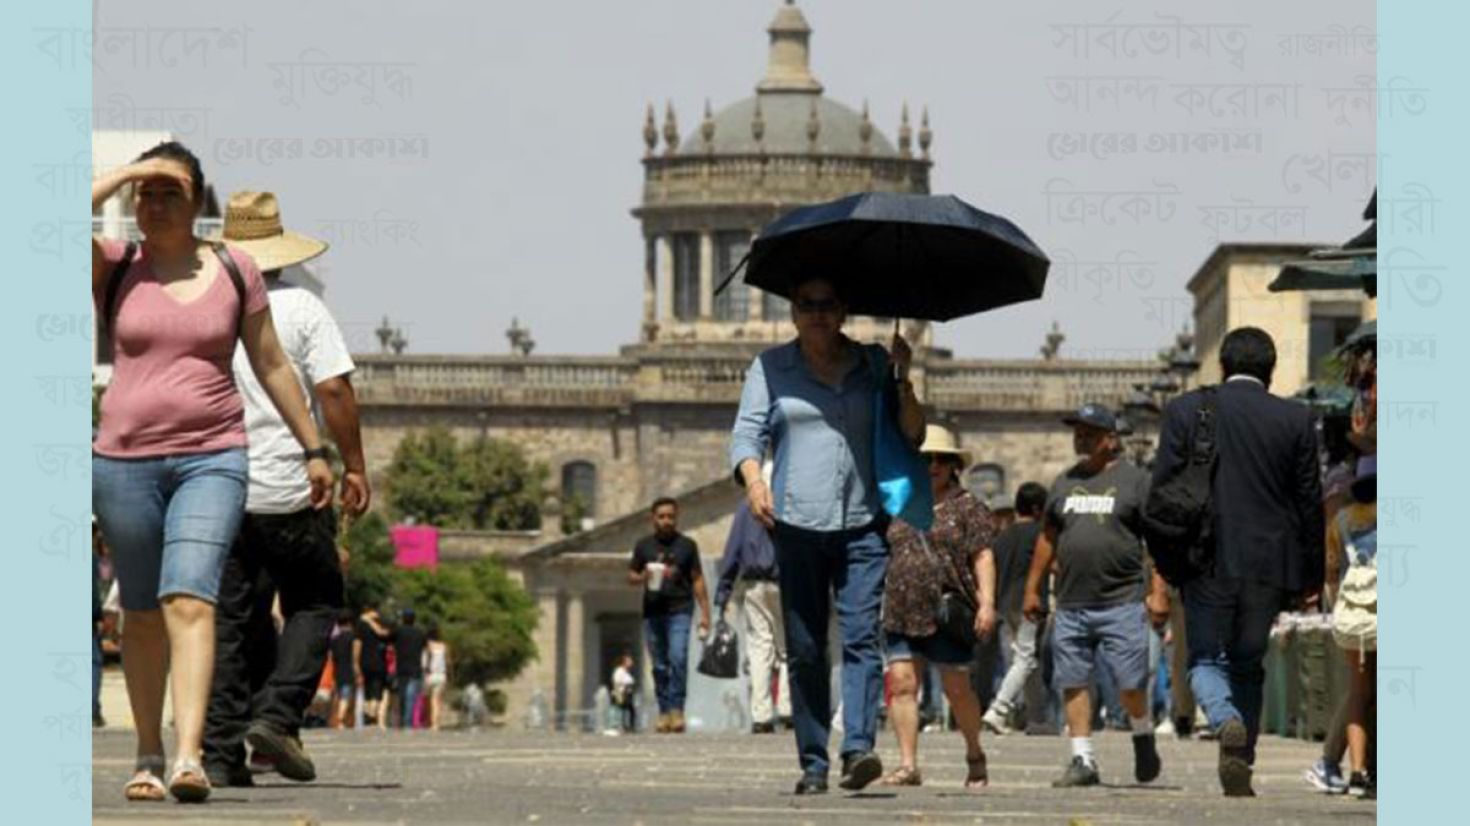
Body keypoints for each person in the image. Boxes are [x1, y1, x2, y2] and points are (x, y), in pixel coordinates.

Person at [90, 142, 333, 803]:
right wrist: (135, 172)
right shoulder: (114, 264)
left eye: (172, 190)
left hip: (213, 455)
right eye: (147, 193)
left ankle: (190, 755)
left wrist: (315, 448)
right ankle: (147, 751)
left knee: (190, 599)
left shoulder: (233, 268)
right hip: (122, 463)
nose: (156, 202)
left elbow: (274, 363)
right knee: (140, 614)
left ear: (198, 201)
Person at [729, 274, 924, 794]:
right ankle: (813, 759)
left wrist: (904, 378)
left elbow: (913, 434)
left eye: (827, 304)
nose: (817, 313)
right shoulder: (770, 368)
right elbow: (747, 432)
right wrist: (753, 479)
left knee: (862, 636)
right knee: (807, 645)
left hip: (863, 522)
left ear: (843, 311)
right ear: (792, 313)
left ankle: (857, 746)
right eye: (806, 304)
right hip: (796, 524)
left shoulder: (875, 365)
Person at [202, 190, 370, 787]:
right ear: (276, 251)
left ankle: (220, 752)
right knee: (317, 598)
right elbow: (333, 392)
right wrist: (353, 463)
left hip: (215, 484)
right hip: (290, 484)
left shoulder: (202, 304)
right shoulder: (300, 308)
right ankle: (277, 714)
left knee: (230, 618)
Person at [1151, 327, 1324, 797]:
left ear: (1222, 367)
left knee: (1205, 657)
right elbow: (1311, 502)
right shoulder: (1295, 418)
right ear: (1271, 371)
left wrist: (1165, 566)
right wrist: (1312, 576)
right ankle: (1241, 759)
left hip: (1206, 558)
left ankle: (1225, 720)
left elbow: (1162, 491)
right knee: (1249, 661)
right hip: (1271, 562)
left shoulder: (1186, 410)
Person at [1023, 403, 1168, 788]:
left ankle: (1142, 733)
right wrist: (1032, 588)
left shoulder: (1136, 481)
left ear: (1110, 438)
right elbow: (1047, 539)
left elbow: (1155, 541)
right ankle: (1082, 759)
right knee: (1072, 681)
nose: (1080, 437)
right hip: (1071, 602)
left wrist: (1158, 591)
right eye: (1077, 430)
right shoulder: (1063, 483)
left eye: (1089, 431)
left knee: (1130, 684)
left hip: (1122, 600)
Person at [878, 425, 997, 789]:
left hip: (946, 610)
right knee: (901, 684)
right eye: (925, 458)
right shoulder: (896, 503)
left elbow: (983, 556)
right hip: (901, 607)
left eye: (940, 460)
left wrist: (987, 603)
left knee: (957, 689)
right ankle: (908, 765)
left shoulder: (968, 507)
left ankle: (975, 753)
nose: (932, 466)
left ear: (952, 465)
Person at [713, 464, 791, 734]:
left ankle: (761, 716)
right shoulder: (789, 504)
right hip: (786, 583)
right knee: (787, 647)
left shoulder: (745, 509)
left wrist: (722, 594)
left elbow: (732, 553)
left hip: (753, 586)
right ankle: (787, 708)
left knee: (759, 649)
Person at [627, 498, 712, 733]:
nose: (666, 521)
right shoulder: (643, 546)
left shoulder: (687, 546)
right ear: (653, 519)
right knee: (660, 665)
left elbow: (697, 578)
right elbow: (631, 576)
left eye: (670, 517)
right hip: (653, 612)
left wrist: (705, 612)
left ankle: (677, 709)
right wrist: (644, 575)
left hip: (680, 610)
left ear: (676, 517)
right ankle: (663, 710)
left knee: (678, 657)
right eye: (661, 516)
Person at [982, 482, 1050, 735]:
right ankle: (998, 710)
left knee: (1027, 659)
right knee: (1025, 659)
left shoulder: (1002, 537)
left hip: (1005, 603)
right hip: (1029, 604)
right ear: (1036, 509)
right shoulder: (1039, 534)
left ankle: (1038, 719)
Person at [393, 609, 429, 730]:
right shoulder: (420, 633)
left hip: (401, 667)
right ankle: (407, 722)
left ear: (403, 619)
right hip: (415, 668)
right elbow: (426, 647)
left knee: (402, 695)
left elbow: (387, 638)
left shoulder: (398, 631)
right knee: (411, 696)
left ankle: (402, 720)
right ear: (414, 619)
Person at [357, 605, 392, 727]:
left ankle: (370, 715)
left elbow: (382, 633)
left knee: (372, 691)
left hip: (371, 663)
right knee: (373, 691)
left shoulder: (372, 624)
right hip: (373, 663)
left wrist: (369, 620)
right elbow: (358, 643)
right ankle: (370, 716)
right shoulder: (362, 625)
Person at [328, 612, 359, 729]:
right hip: (348, 668)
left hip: (337, 669)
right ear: (349, 623)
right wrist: (357, 671)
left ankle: (338, 718)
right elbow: (355, 656)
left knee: (339, 695)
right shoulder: (353, 637)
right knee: (346, 695)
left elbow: (331, 656)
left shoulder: (334, 639)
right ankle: (340, 719)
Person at [424, 626, 451, 731]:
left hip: (431, 675)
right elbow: (448, 662)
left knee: (430, 701)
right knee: (437, 701)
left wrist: (426, 674)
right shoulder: (445, 646)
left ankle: (431, 723)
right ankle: (436, 724)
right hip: (441, 675)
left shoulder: (428, 646)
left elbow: (427, 662)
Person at [611, 654, 637, 733]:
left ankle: (629, 726)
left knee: (630, 711)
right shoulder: (619, 671)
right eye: (629, 661)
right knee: (623, 710)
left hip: (628, 694)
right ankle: (621, 726)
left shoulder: (627, 672)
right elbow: (616, 683)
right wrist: (619, 694)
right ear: (624, 662)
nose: (631, 662)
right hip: (622, 694)